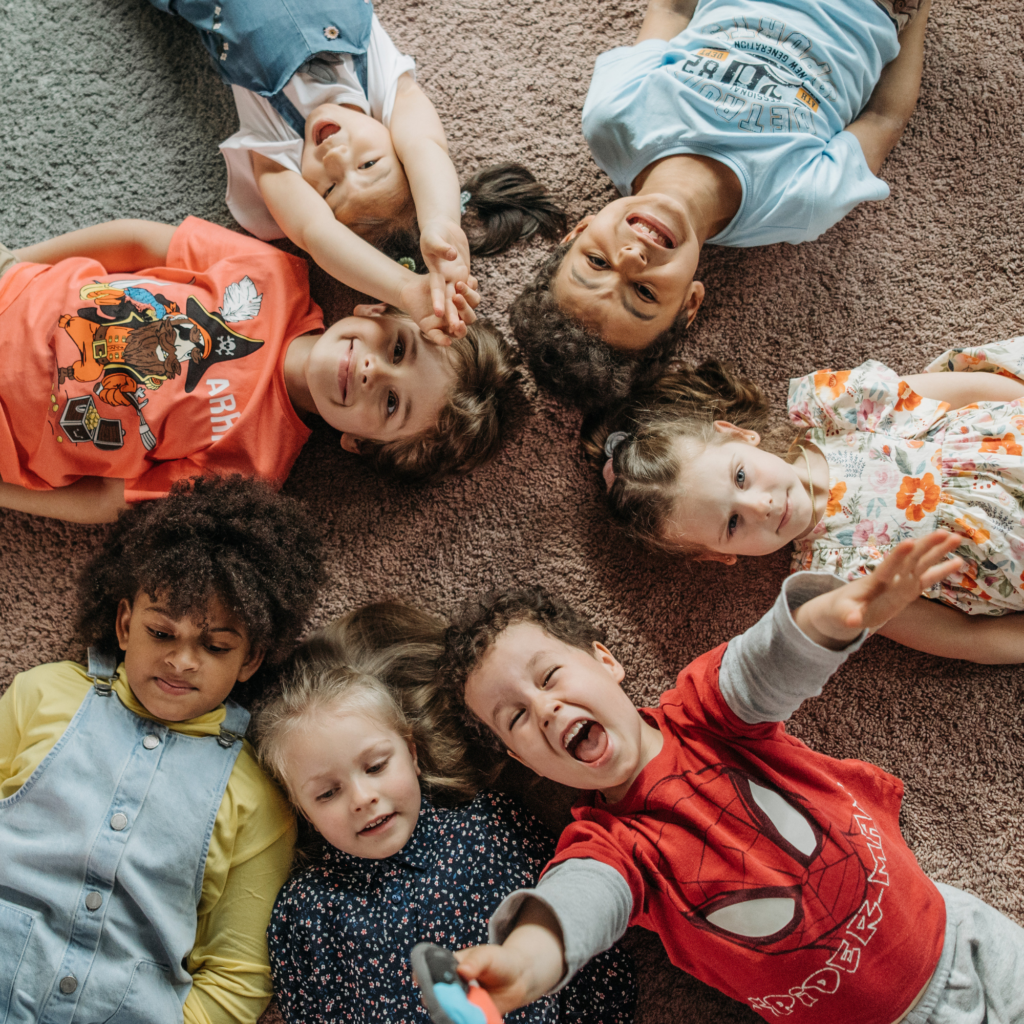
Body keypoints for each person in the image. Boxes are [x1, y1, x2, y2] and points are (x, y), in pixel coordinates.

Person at [435, 535, 1024, 1024]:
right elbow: (577, 905)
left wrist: (832, 618)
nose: (545, 709)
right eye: (516, 718)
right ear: (528, 762)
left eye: (550, 675)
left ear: (606, 661)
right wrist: (524, 963)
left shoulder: (706, 710)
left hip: (960, 934)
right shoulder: (608, 849)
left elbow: (764, 663)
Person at [0, 474, 327, 1024]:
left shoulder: (258, 799)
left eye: (215, 645)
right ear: (125, 624)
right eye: (161, 633)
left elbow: (238, 979)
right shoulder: (44, 693)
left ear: (250, 660)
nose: (181, 661)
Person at [509, 0, 932, 408]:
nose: (633, 256)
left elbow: (671, 10)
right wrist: (919, 13)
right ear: (689, 304)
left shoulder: (613, 118)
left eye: (597, 263)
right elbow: (883, 118)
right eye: (643, 292)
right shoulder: (799, 204)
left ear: (578, 230)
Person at [252, 602, 637, 1024]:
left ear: (412, 752)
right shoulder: (304, 910)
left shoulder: (491, 826)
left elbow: (584, 949)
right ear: (301, 809)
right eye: (327, 793)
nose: (362, 798)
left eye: (377, 767)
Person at [0, 216, 521, 523]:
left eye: (391, 404)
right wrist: (19, 262)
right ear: (373, 309)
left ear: (359, 445)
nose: (371, 371)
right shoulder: (273, 275)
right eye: (400, 350)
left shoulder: (253, 470)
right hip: (16, 295)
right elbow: (139, 243)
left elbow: (106, 501)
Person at [148, 0, 566, 342]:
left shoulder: (277, 139)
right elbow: (425, 145)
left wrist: (404, 290)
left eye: (329, 189)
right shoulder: (383, 89)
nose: (335, 157)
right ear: (394, 141)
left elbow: (317, 234)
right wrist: (442, 224)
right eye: (369, 164)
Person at [582, 341, 1024, 661]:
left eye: (741, 476)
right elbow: (961, 636)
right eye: (733, 524)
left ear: (737, 433)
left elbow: (966, 392)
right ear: (719, 556)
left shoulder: (841, 412)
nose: (761, 506)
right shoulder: (832, 583)